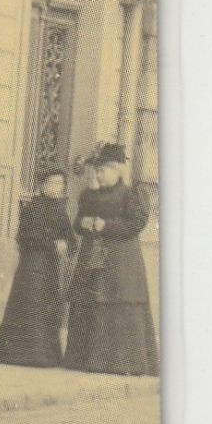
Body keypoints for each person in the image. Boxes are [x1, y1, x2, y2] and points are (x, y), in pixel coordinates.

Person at [62, 143, 158, 376]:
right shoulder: (89, 195)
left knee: (118, 300)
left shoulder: (130, 194)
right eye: (96, 171)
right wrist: (82, 224)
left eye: (103, 170)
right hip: (91, 256)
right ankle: (85, 359)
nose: (98, 175)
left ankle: (122, 363)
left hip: (121, 258)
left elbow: (136, 224)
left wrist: (107, 225)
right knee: (89, 301)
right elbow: (78, 221)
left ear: (117, 170)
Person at [0, 169, 74, 368]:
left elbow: (70, 236)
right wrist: (54, 244)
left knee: (46, 306)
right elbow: (27, 238)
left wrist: (67, 244)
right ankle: (23, 355)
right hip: (32, 265)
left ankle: (46, 357)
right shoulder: (33, 208)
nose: (56, 187)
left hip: (51, 267)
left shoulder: (60, 209)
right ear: (42, 186)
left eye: (60, 183)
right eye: (52, 183)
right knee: (30, 305)